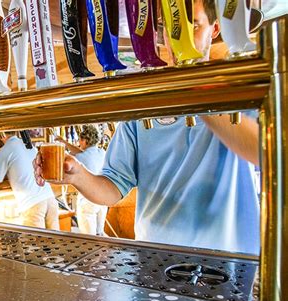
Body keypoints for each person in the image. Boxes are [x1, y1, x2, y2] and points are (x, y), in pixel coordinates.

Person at [34, 0, 260, 255]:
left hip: (229, 262)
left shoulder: (240, 92)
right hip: (156, 257)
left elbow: (265, 152)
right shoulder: (146, 103)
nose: (179, 39)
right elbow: (113, 187)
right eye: (173, 28)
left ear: (215, 29)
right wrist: (75, 174)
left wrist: (195, 91)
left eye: (193, 26)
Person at [0, 132, 59, 230]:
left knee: (35, 244)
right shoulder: (26, 144)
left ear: (1, 134)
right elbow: (15, 166)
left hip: (33, 205)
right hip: (49, 198)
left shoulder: (5, 150)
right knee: (54, 242)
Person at [57, 125, 107, 235]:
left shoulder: (80, 158)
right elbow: (80, 152)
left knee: (89, 238)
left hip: (88, 201)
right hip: (103, 200)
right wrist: (64, 142)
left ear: (84, 140)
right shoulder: (101, 152)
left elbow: (75, 156)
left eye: (80, 141)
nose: (79, 143)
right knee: (100, 234)